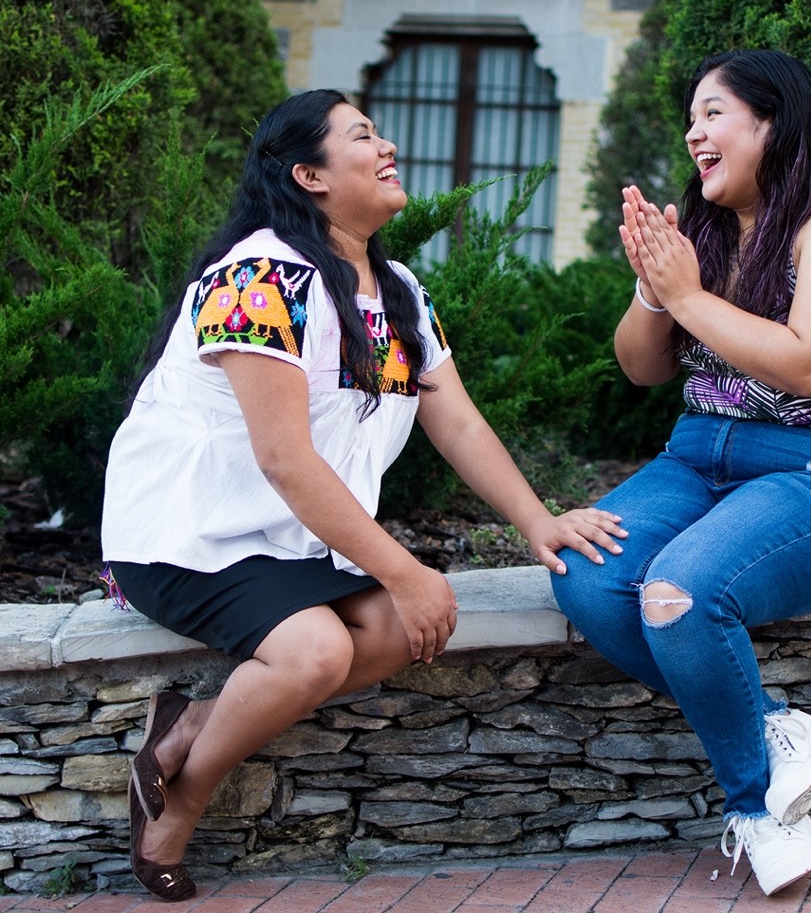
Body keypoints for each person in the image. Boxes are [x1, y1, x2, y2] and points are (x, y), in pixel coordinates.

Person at [100, 89, 627, 901]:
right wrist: (408, 569)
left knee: (399, 631)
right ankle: (186, 793)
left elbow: (458, 423)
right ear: (308, 173)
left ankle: (192, 723)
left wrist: (538, 520)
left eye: (379, 133)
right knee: (319, 649)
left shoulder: (401, 290)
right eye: (362, 136)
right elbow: (285, 459)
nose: (386, 147)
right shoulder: (258, 277)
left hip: (291, 541)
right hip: (187, 534)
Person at [549, 49, 811, 896]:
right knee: (587, 572)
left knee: (679, 589)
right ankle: (776, 740)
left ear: (772, 121)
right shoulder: (710, 237)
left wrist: (687, 295)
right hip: (700, 456)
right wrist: (654, 286)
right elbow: (640, 367)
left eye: (713, 112)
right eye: (691, 117)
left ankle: (754, 808)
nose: (693, 132)